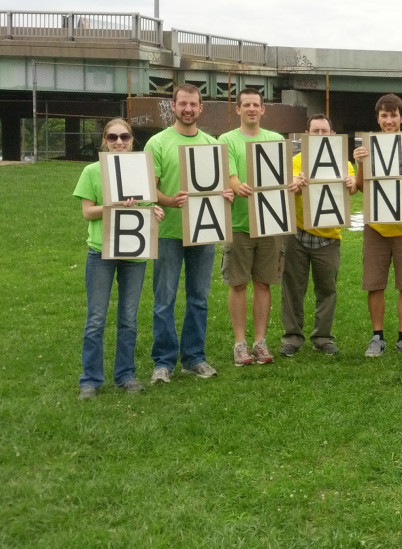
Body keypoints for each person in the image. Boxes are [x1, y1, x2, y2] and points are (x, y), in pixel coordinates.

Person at [145, 84, 233, 385]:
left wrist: (226, 195)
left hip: (204, 230)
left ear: (201, 108)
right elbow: (149, 189)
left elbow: (220, 186)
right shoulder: (157, 143)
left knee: (199, 298)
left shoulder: (211, 144)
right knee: (164, 299)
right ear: (173, 106)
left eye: (193, 104)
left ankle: (194, 358)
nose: (188, 109)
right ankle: (164, 362)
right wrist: (170, 201)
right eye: (182, 103)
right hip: (169, 231)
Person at [73, 119, 163, 399]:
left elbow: (147, 205)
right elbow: (88, 212)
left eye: (124, 136)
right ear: (104, 139)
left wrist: (155, 211)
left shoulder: (142, 171)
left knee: (128, 318)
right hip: (100, 251)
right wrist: (112, 205)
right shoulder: (92, 171)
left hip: (134, 253)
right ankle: (90, 380)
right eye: (113, 137)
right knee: (96, 318)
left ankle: (125, 375)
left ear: (132, 139)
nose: (119, 142)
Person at [352, 94, 402, 357]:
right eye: (384, 116)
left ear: (401, 118)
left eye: (393, 115)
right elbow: (361, 187)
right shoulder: (367, 147)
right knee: (375, 283)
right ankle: (377, 336)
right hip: (376, 228)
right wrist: (360, 163)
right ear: (378, 118)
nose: (389, 120)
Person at [280, 114, 357, 357]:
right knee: (293, 288)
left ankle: (323, 337)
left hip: (329, 237)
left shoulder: (344, 163)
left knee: (327, 289)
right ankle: (292, 337)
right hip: (298, 233)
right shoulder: (295, 162)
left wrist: (352, 181)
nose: (321, 135)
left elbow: (354, 187)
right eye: (315, 131)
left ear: (332, 135)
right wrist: (294, 183)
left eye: (325, 131)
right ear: (307, 135)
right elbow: (285, 190)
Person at [219, 88, 285, 367]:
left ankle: (260, 340)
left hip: (269, 222)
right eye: (246, 105)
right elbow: (230, 174)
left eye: (256, 105)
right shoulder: (227, 140)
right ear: (238, 110)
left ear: (263, 109)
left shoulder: (276, 139)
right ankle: (240, 343)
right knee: (238, 283)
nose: (251, 109)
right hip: (238, 223)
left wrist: (293, 182)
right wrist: (236, 185)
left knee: (263, 283)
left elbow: (283, 175)